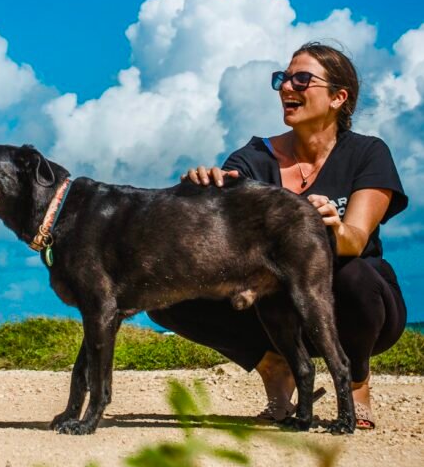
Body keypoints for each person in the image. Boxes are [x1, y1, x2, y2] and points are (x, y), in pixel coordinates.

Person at [150, 42, 408, 429]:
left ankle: (356, 382)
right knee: (162, 289)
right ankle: (274, 364)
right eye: (283, 79)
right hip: (273, 307)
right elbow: (222, 245)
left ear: (338, 97)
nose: (287, 87)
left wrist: (331, 229)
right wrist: (201, 195)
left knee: (350, 272)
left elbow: (355, 239)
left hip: (357, 306)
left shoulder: (368, 153)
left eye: (302, 79)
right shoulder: (252, 159)